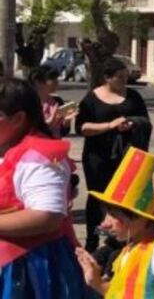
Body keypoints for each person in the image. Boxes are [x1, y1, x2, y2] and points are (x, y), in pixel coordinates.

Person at [0, 79, 90, 297]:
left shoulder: (39, 158)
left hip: (28, 271)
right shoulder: (7, 146)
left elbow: (48, 216)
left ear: (18, 119)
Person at [76, 148, 154, 298]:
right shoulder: (129, 249)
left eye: (114, 215)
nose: (105, 224)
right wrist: (97, 283)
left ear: (142, 218)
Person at [76, 56, 151, 253]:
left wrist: (133, 124)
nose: (124, 81)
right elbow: (82, 127)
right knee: (98, 197)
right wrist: (110, 125)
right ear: (107, 78)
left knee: (123, 197)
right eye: (120, 77)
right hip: (98, 156)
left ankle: (121, 239)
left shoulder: (134, 96)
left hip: (126, 155)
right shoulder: (92, 99)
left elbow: (145, 120)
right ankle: (92, 240)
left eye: (126, 76)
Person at [28, 65, 75, 138]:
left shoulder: (57, 101)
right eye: (52, 79)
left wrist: (67, 122)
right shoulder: (29, 103)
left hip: (55, 142)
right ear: (38, 82)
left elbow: (63, 132)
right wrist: (49, 122)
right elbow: (28, 130)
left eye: (56, 79)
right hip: (36, 143)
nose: (56, 82)